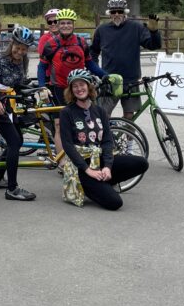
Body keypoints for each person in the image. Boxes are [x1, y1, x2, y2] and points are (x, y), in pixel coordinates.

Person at [59, 69, 149, 210]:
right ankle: (90, 186)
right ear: (71, 90)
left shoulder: (99, 111)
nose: (79, 89)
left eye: (82, 84)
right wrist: (88, 170)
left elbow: (107, 141)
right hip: (82, 168)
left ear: (89, 86)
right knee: (115, 203)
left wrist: (107, 166)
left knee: (142, 163)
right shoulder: (66, 112)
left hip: (100, 161)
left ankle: (105, 179)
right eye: (74, 86)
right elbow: (68, 145)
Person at [0, 25, 39, 201]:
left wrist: (38, 89)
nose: (20, 52)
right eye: (17, 48)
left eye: (24, 49)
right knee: (13, 142)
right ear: (11, 43)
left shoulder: (23, 61)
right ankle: (12, 189)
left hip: (7, 102)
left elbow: (18, 83)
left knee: (17, 140)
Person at [89, 0, 162, 119]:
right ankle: (108, 137)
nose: (117, 14)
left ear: (125, 12)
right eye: (113, 12)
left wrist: (154, 32)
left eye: (120, 11)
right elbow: (93, 52)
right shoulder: (101, 30)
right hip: (109, 79)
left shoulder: (136, 27)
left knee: (129, 114)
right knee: (103, 114)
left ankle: (128, 137)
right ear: (109, 14)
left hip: (131, 79)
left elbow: (153, 45)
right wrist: (95, 72)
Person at [41, 8, 106, 106]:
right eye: (62, 23)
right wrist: (42, 87)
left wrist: (105, 75)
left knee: (84, 116)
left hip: (79, 87)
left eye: (69, 23)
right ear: (58, 25)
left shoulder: (81, 42)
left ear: (73, 25)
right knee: (61, 120)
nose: (66, 26)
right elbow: (42, 67)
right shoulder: (51, 44)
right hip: (59, 88)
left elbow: (89, 63)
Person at [36, 8, 60, 86]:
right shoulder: (44, 39)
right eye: (50, 22)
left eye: (56, 21)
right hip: (50, 77)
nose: (53, 24)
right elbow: (42, 64)